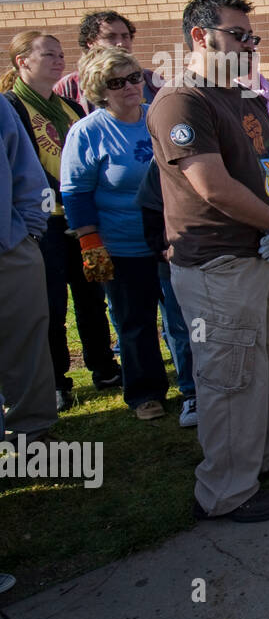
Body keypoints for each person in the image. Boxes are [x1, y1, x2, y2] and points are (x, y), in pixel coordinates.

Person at [147, 0, 269, 523]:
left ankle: (258, 461)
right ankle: (225, 492)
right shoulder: (181, 100)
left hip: (259, 251)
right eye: (239, 35)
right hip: (217, 261)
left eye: (252, 37)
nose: (250, 45)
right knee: (230, 375)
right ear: (200, 37)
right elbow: (212, 186)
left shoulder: (243, 96)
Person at [4, 31, 121, 411]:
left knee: (91, 296)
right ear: (23, 61)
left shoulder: (69, 105)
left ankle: (103, 366)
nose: (58, 60)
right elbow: (23, 166)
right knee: (52, 305)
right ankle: (56, 382)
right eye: (48, 54)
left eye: (60, 54)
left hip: (79, 218)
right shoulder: (13, 106)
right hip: (43, 223)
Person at [60, 47, 170, 421]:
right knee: (134, 323)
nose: (129, 87)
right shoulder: (87, 132)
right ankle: (145, 394)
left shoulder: (159, 118)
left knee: (181, 318)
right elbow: (74, 193)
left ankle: (191, 386)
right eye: (116, 82)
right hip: (119, 247)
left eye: (134, 77)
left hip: (170, 242)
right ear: (99, 89)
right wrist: (92, 249)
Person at [0, 85, 57, 441]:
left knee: (28, 344)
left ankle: (33, 431)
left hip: (10, 247)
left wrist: (27, 233)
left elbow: (25, 168)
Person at [136, 159, 198, 427]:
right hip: (176, 262)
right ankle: (191, 393)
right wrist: (161, 247)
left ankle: (230, 390)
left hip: (224, 256)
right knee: (183, 330)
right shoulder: (161, 159)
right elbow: (150, 208)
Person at [54, 10, 163, 109]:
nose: (120, 43)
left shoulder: (152, 80)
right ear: (91, 42)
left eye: (125, 36)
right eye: (111, 37)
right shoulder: (69, 86)